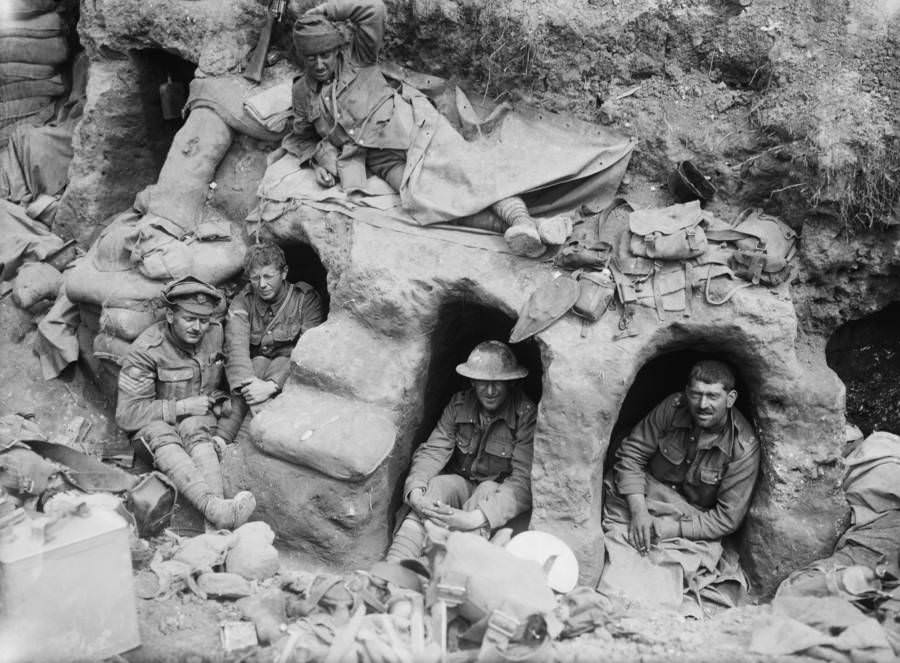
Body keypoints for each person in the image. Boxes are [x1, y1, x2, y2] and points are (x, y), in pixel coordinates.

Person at [276, 0, 603, 259]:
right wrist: (319, 160)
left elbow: (373, 8)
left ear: (336, 50)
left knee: (468, 172)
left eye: (325, 55)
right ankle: (526, 228)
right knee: (424, 203)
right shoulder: (302, 93)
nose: (319, 65)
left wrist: (323, 10)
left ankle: (522, 219)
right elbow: (301, 136)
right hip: (377, 159)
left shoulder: (359, 56)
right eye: (311, 59)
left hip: (413, 127)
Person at [599, 359, 760, 608]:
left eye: (712, 396)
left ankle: (646, 609)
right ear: (687, 393)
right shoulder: (672, 408)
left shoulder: (743, 446)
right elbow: (631, 455)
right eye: (696, 394)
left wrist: (669, 529)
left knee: (669, 567)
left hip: (690, 521)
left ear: (730, 398)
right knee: (619, 542)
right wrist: (639, 511)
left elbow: (726, 519)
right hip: (645, 496)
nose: (702, 404)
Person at [116, 275, 256, 530]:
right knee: (162, 432)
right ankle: (213, 508)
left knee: (194, 426)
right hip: (156, 432)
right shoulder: (147, 349)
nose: (197, 327)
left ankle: (217, 520)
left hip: (199, 425)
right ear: (170, 316)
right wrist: (181, 407)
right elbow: (127, 415)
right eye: (189, 319)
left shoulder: (215, 333)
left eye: (203, 320)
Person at [386, 340, 536, 561]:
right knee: (439, 485)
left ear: (511, 383)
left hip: (494, 499)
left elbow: (522, 481)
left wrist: (476, 518)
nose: (491, 391)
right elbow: (433, 451)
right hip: (462, 486)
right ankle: (395, 567)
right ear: (472, 381)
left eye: (499, 383)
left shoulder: (525, 414)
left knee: (486, 489)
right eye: (483, 382)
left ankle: (445, 568)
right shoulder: (459, 404)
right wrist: (416, 491)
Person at [217, 242, 324, 445]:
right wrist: (252, 387)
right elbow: (235, 346)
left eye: (268, 276)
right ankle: (221, 440)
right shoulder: (244, 300)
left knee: (277, 361)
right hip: (251, 377)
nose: (262, 284)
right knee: (256, 362)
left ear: (284, 273)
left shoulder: (304, 299)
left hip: (287, 376)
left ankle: (233, 441)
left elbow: (309, 351)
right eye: (255, 278)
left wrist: (272, 386)